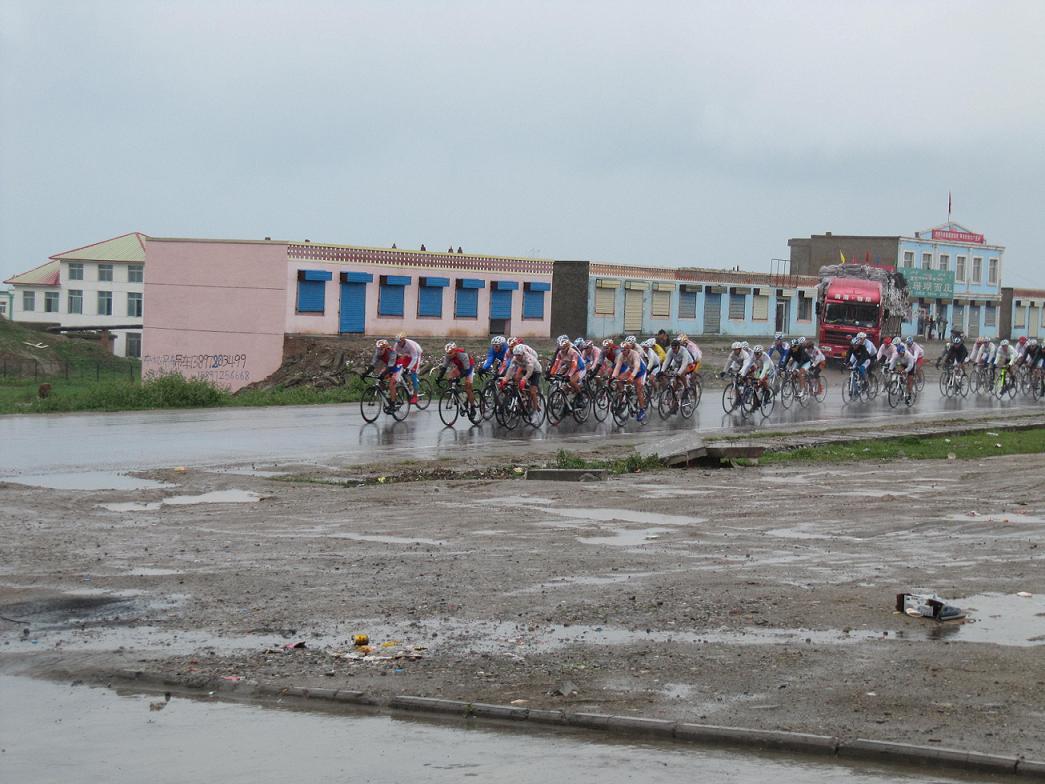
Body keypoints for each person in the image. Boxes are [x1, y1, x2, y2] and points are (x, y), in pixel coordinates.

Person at [610, 336, 648, 422]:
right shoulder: (621, 355)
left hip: (640, 371)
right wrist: (613, 376)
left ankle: (642, 410)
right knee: (619, 379)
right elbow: (618, 366)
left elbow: (637, 367)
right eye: (621, 350)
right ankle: (623, 396)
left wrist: (631, 377)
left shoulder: (635, 354)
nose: (622, 352)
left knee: (639, 390)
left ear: (628, 349)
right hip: (631, 369)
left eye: (624, 350)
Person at [437, 342, 476, 412]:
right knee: (450, 377)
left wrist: (459, 377)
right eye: (447, 353)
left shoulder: (461, 354)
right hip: (461, 367)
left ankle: (473, 407)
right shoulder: (448, 355)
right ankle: (458, 395)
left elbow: (466, 369)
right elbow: (444, 367)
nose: (449, 355)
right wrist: (439, 377)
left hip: (469, 367)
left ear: (455, 350)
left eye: (450, 353)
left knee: (468, 387)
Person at [393, 333, 423, 404]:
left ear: (403, 340)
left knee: (413, 373)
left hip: (416, 355)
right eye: (397, 342)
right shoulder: (396, 345)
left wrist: (408, 368)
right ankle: (409, 385)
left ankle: (415, 396)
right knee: (400, 370)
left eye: (400, 342)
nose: (398, 344)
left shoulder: (410, 345)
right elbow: (394, 356)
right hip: (407, 355)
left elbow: (415, 358)